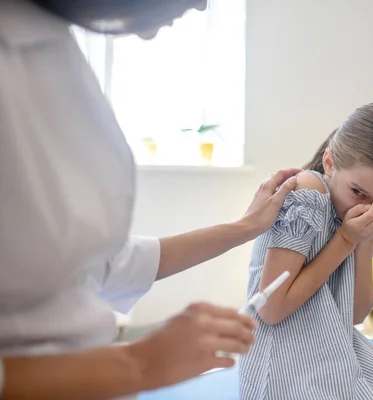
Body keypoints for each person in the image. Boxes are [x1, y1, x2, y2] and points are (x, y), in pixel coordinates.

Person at [0, 0, 300, 399]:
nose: (203, 3)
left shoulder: (57, 48)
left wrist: (246, 227)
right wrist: (140, 363)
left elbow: (96, 262)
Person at [239, 103, 373, 399]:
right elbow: (271, 310)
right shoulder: (308, 191)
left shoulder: (356, 219)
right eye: (357, 192)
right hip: (282, 360)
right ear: (329, 162)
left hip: (331, 347)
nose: (366, 208)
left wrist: (365, 239)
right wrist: (346, 240)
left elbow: (354, 313)